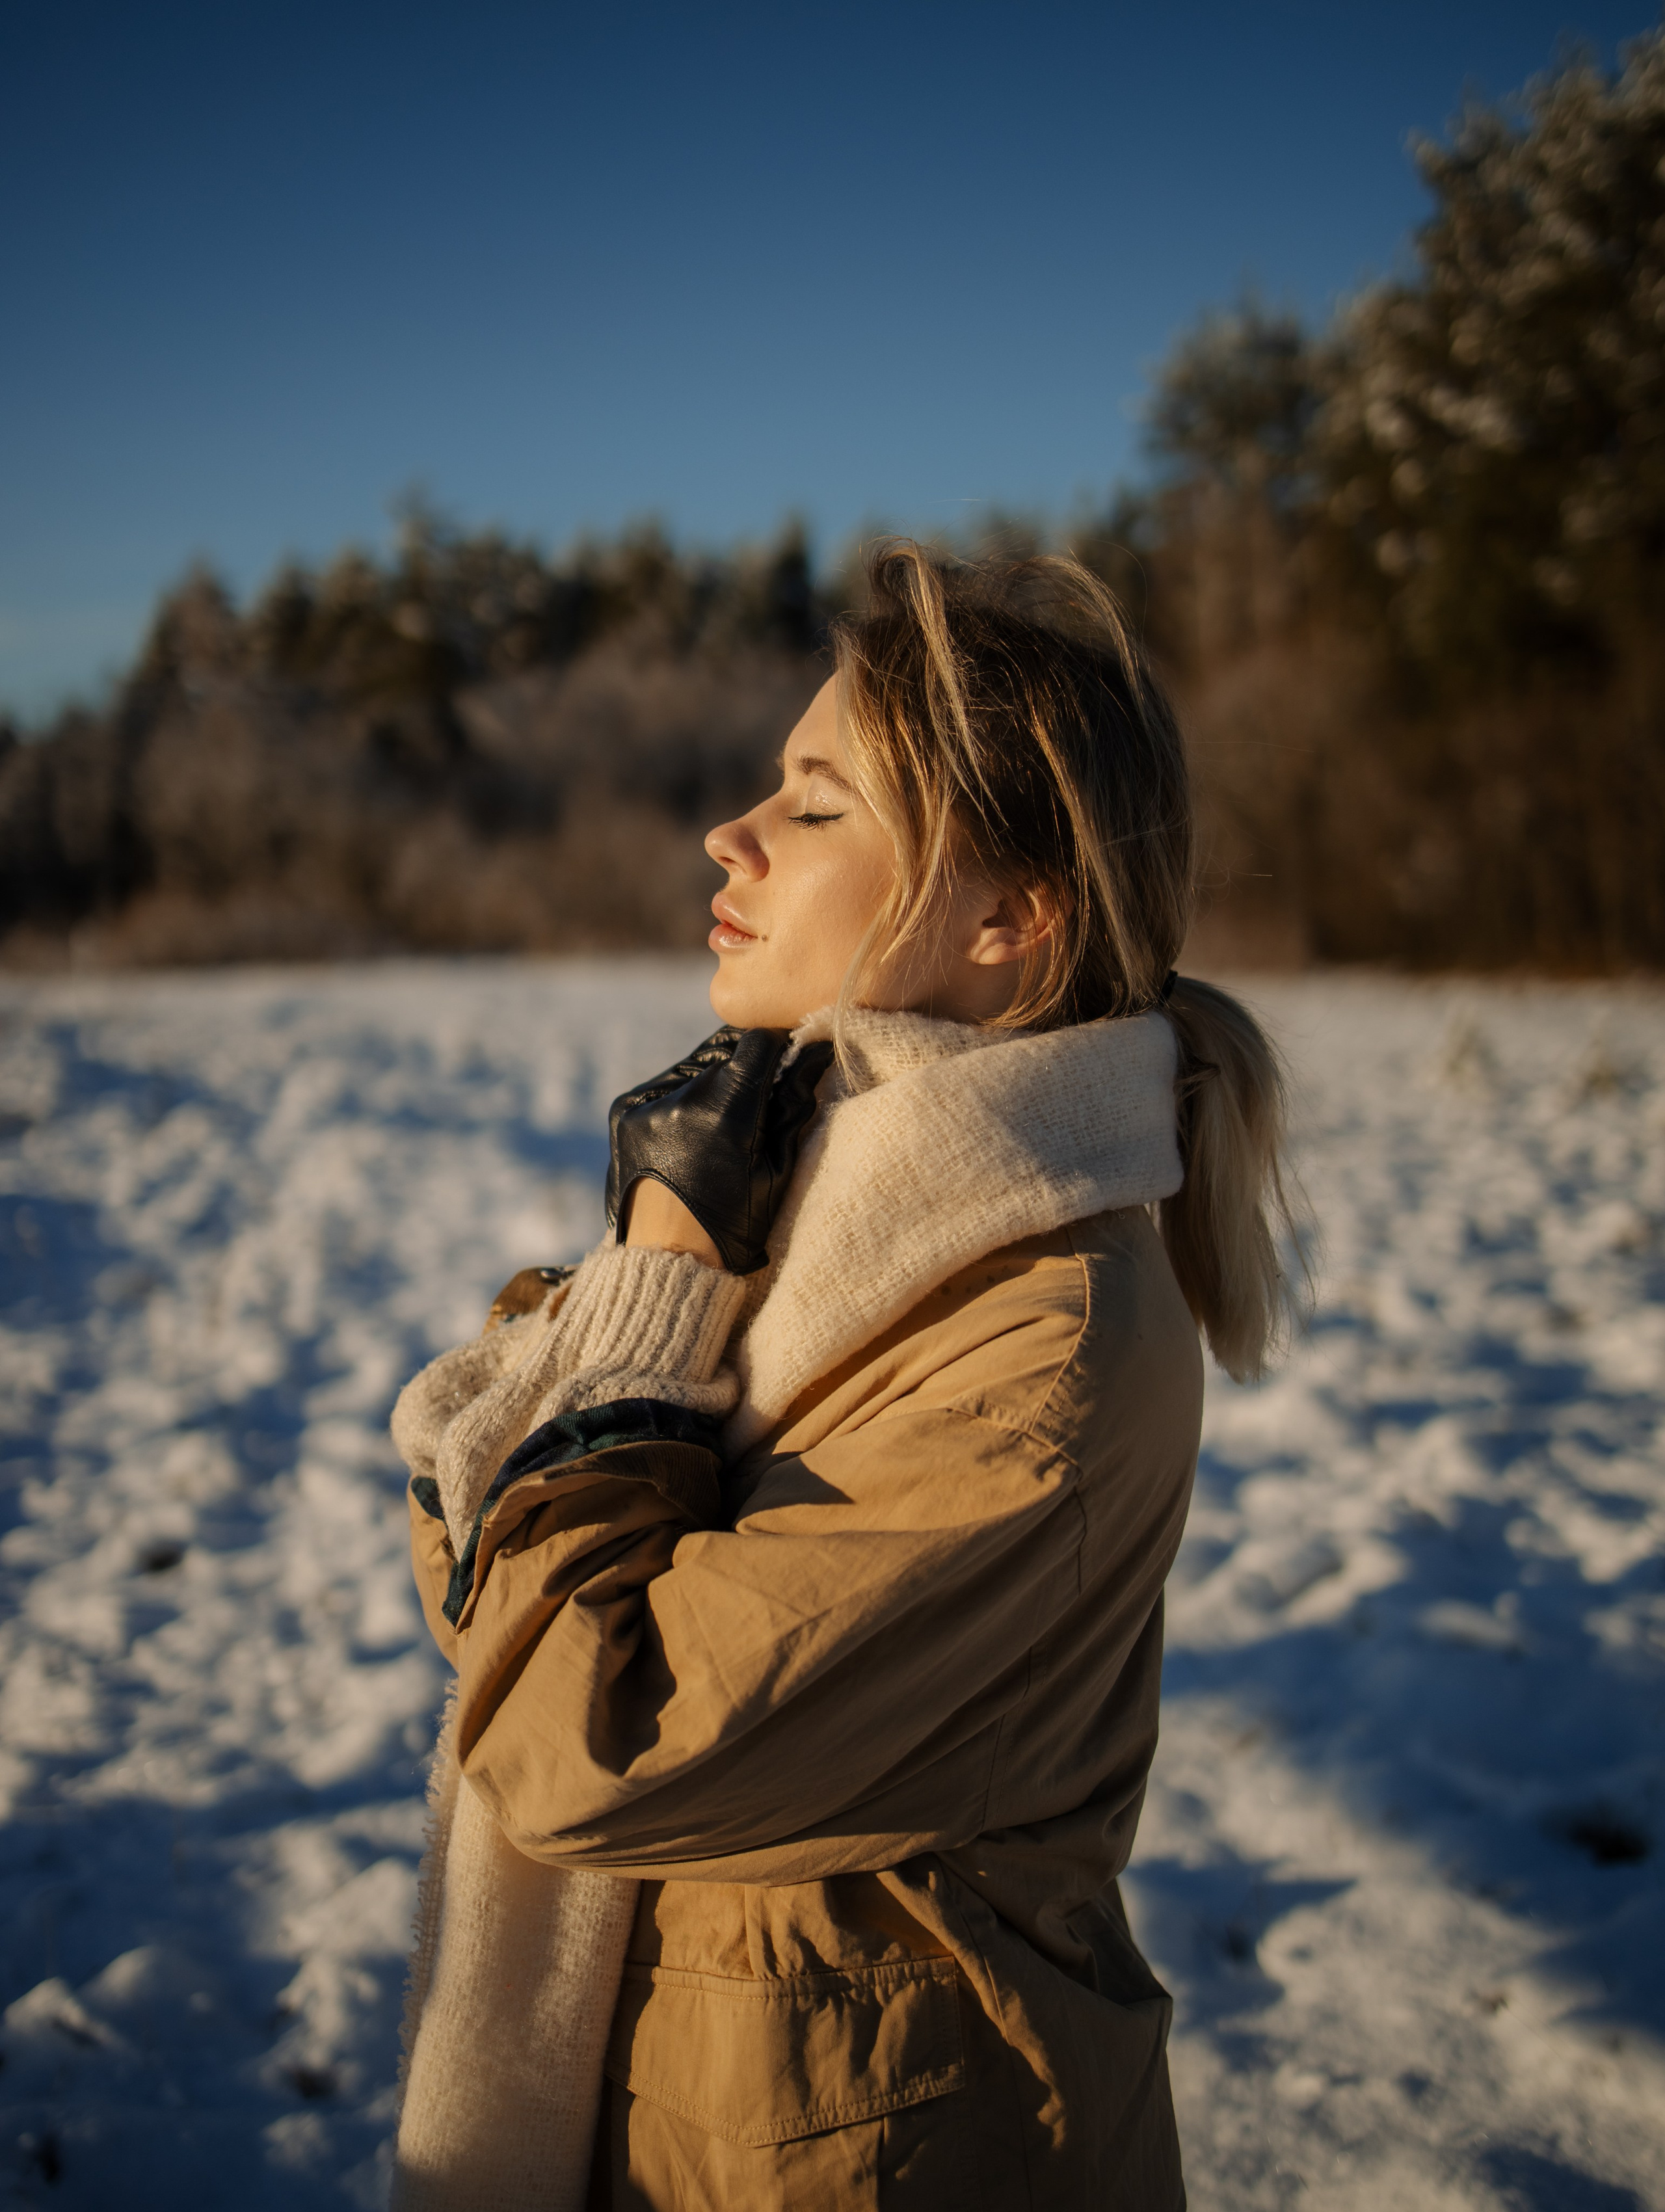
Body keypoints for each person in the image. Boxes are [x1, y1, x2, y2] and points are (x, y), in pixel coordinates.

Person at [388, 542, 1300, 2212]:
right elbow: (488, 1543)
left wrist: (656, 1273)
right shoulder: (832, 1199)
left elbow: (578, 1735)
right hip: (705, 2094)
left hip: (870, 2140)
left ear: (1007, 921)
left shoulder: (1037, 1352)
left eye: (818, 804)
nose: (730, 833)